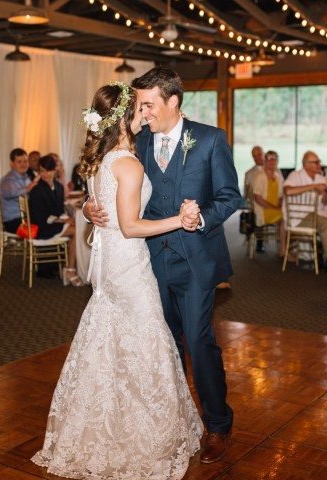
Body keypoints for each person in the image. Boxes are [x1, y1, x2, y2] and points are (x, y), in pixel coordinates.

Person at [33, 81, 204, 478]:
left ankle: (102, 428)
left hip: (109, 264)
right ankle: (144, 437)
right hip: (127, 263)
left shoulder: (101, 161)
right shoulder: (127, 163)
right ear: (125, 117)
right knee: (146, 340)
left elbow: (102, 209)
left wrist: (92, 213)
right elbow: (130, 226)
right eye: (139, 109)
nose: (145, 114)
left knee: (110, 341)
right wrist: (181, 220)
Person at [84, 67, 240, 464]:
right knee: (161, 346)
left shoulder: (208, 139)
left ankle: (218, 424)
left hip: (196, 262)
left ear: (173, 101)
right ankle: (168, 420)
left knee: (198, 341)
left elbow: (229, 196)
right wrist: (89, 208)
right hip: (147, 262)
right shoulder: (134, 142)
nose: (143, 112)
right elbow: (107, 183)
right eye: (139, 105)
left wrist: (199, 217)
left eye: (148, 104)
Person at [284, 151, 327, 275]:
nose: (319, 164)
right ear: (306, 164)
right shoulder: (295, 175)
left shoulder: (321, 178)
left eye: (319, 161)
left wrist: (325, 193)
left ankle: (322, 248)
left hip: (318, 214)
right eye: (316, 162)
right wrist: (313, 186)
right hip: (300, 216)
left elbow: (325, 202)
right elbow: (288, 191)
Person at [28, 154, 83, 287]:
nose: (45, 174)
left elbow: (58, 211)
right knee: (77, 231)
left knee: (77, 226)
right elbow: (41, 217)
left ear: (54, 170)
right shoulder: (36, 190)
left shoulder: (58, 187)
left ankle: (71, 268)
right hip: (42, 228)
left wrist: (66, 219)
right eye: (42, 171)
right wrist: (64, 221)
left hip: (52, 225)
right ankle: (70, 270)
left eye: (48, 170)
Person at [251, 150, 285, 255]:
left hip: (275, 209)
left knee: (290, 216)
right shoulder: (260, 176)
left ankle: (285, 247)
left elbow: (280, 195)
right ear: (265, 161)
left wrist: (280, 204)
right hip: (263, 210)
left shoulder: (278, 176)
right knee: (286, 219)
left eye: (274, 159)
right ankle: (283, 249)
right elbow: (258, 199)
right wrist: (274, 208)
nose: (272, 161)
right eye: (269, 159)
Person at [0, 148, 40, 233]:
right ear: (12, 164)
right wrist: (29, 188)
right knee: (44, 227)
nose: (23, 164)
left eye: (25, 161)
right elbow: (10, 193)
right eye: (19, 162)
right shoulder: (7, 180)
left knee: (47, 221)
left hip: (27, 218)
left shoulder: (26, 178)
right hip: (13, 222)